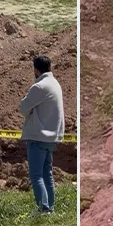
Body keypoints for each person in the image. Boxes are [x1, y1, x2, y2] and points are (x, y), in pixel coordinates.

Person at [18, 55, 65, 214]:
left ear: (35, 70)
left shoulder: (39, 87)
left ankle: (43, 209)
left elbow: (23, 107)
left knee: (36, 175)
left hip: (38, 136)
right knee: (47, 174)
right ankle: (50, 208)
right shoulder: (55, 84)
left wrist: (30, 110)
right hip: (52, 137)